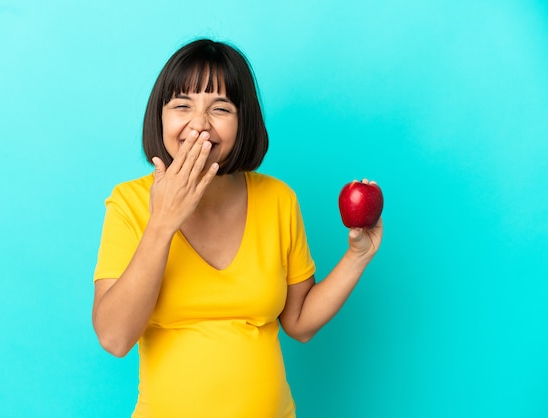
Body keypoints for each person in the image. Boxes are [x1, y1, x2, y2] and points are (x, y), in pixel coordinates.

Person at [92, 38, 383, 418]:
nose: (199, 124)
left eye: (220, 108)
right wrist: (162, 223)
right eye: (182, 105)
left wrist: (358, 256)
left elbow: (299, 323)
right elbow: (115, 338)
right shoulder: (128, 203)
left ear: (242, 121)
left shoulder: (277, 199)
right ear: (159, 117)